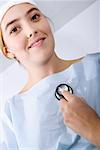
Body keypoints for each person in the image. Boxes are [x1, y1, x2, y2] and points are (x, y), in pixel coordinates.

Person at [0, 0, 100, 149]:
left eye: (34, 17)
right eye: (15, 29)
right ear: (7, 51)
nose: (31, 31)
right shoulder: (12, 113)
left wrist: (94, 129)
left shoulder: (96, 65)